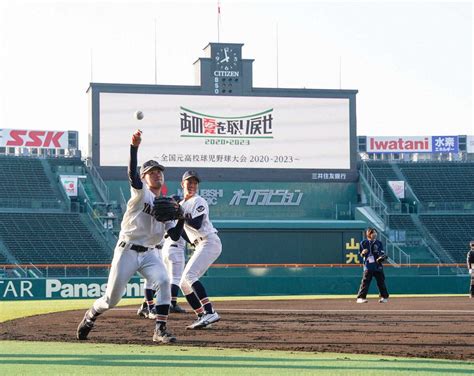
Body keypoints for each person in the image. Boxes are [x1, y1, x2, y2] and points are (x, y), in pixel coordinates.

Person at [76, 129, 183, 343]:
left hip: (150, 253)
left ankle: (160, 330)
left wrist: (180, 216)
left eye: (159, 172)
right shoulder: (141, 193)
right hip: (127, 250)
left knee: (163, 280)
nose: (157, 174)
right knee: (112, 299)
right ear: (144, 177)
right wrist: (134, 147)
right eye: (152, 172)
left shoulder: (167, 205)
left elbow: (174, 234)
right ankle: (91, 315)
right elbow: (132, 174)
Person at [179, 170, 222, 329]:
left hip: (209, 241)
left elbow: (196, 224)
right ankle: (202, 316)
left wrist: (179, 213)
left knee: (190, 275)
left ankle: (210, 312)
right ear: (182, 184)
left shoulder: (199, 200)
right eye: (189, 182)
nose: (192, 185)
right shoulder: (181, 205)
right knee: (184, 283)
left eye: (194, 182)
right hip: (199, 244)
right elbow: (183, 232)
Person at [137, 235, 187, 318]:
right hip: (150, 249)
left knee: (159, 279)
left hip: (161, 250)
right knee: (149, 280)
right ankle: (150, 308)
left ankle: (145, 305)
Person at [356, 227, 389, 303]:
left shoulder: (379, 243)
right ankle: (361, 298)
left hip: (378, 266)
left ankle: (384, 297)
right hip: (368, 266)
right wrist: (363, 253)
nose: (375, 234)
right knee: (365, 282)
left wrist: (381, 257)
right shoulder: (363, 243)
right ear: (368, 234)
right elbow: (360, 254)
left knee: (381, 282)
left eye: (375, 232)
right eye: (373, 232)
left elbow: (381, 253)